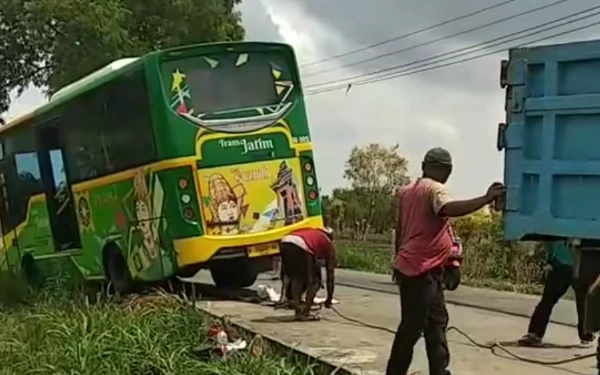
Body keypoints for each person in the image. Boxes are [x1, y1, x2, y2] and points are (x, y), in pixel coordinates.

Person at [386, 147, 505, 375]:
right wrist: (485, 198)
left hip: (420, 268)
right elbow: (448, 209)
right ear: (445, 170)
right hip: (420, 270)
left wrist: (398, 258)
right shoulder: (435, 189)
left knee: (437, 324)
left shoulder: (406, 191)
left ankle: (440, 371)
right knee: (412, 328)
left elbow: (402, 230)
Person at [518, 240, 594, 347]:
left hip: (581, 263)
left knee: (584, 302)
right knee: (548, 300)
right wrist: (552, 257)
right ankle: (534, 333)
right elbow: (548, 237)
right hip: (562, 264)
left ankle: (586, 335)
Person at [278, 227, 335, 321]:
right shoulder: (327, 243)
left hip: (285, 241)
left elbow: (286, 271)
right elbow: (330, 273)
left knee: (297, 276)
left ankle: (298, 311)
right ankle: (305, 312)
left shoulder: (311, 233)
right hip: (301, 245)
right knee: (315, 282)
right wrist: (329, 298)